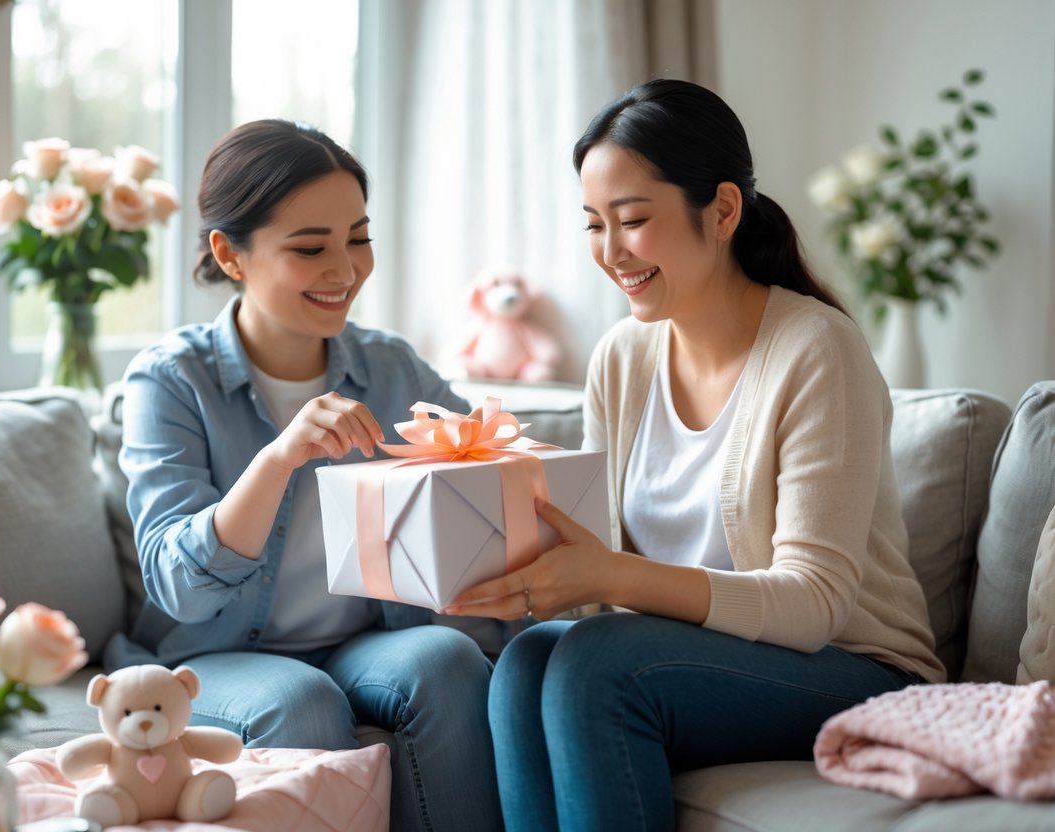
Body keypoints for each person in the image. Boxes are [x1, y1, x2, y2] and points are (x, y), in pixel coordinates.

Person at [445, 79, 945, 831]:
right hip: (696, 655)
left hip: (854, 667)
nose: (610, 253)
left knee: (591, 665)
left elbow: (814, 603)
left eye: (633, 220)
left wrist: (610, 573)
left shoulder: (816, 349)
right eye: (592, 225)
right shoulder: (621, 357)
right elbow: (599, 563)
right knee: (525, 664)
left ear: (720, 210)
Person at [104, 119, 503, 832]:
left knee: (445, 658)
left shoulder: (391, 368)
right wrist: (279, 456)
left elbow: (488, 473)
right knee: (301, 700)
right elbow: (177, 584)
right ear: (230, 253)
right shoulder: (169, 380)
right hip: (216, 652)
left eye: (358, 237)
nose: (345, 270)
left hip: (365, 638)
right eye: (310, 248)